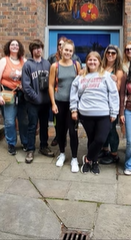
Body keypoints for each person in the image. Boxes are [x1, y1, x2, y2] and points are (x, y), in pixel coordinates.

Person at [69, 51, 119, 175]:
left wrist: (114, 112)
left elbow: (113, 94)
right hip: (86, 113)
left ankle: (88, 158)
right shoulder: (80, 77)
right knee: (91, 139)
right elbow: (73, 93)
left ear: (99, 62)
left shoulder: (106, 76)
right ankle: (94, 163)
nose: (92, 62)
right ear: (87, 61)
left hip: (103, 113)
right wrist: (73, 109)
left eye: (95, 60)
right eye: (90, 60)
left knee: (100, 139)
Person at [48, 39, 81, 172]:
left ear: (73, 52)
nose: (67, 52)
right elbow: (50, 85)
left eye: (70, 51)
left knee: (73, 132)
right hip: (59, 103)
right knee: (60, 131)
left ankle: (74, 158)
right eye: (65, 50)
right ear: (61, 50)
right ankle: (61, 154)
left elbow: (81, 83)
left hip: (73, 104)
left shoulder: (76, 65)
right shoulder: (54, 66)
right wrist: (53, 103)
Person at [22, 39, 54, 164]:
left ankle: (44, 146)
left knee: (45, 126)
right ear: (32, 50)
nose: (38, 50)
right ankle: (30, 149)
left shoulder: (47, 64)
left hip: (45, 103)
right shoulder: (27, 65)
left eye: (40, 47)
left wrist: (49, 99)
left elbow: (51, 82)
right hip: (33, 103)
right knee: (32, 126)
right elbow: (26, 86)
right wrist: (36, 98)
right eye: (35, 48)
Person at [0, 39, 28, 155]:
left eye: (17, 45)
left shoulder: (24, 61)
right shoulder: (4, 61)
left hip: (22, 95)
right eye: (12, 45)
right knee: (9, 121)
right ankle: (11, 143)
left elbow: (28, 78)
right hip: (8, 95)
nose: (14, 46)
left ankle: (25, 142)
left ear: (20, 48)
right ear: (9, 47)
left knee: (24, 121)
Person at [99, 45, 123, 165]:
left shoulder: (118, 70)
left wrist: (114, 81)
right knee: (103, 128)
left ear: (117, 55)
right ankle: (104, 150)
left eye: (113, 53)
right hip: (101, 103)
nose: (110, 55)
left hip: (112, 104)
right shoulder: (101, 67)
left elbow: (118, 88)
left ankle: (114, 154)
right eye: (108, 52)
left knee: (112, 128)